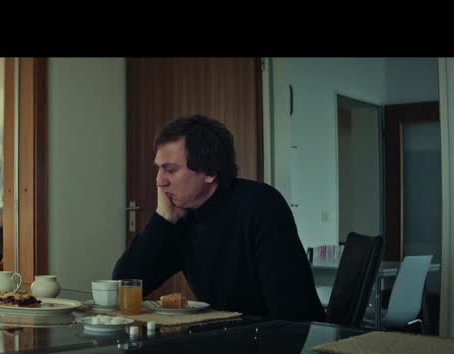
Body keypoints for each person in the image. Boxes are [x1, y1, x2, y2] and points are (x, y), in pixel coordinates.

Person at [112, 115, 324, 321]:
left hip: (281, 338)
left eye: (170, 170)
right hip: (225, 334)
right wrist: (162, 218)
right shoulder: (180, 217)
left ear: (210, 172)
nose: (159, 181)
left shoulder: (262, 205)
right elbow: (123, 286)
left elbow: (292, 314)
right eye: (158, 169)